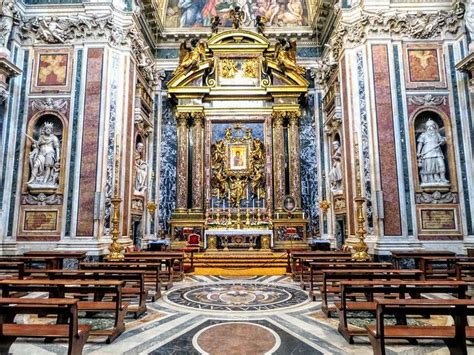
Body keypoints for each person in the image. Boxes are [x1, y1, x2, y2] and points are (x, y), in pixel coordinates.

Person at [28, 122, 61, 187]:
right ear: (44, 129)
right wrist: (35, 144)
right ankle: (32, 179)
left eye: (50, 129)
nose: (48, 130)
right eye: (47, 128)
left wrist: (58, 156)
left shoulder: (54, 138)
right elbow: (37, 146)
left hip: (50, 153)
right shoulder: (41, 137)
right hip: (41, 154)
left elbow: (57, 148)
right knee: (36, 165)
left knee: (47, 166)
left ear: (51, 130)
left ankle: (45, 181)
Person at [417, 119, 449, 186]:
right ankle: (430, 179)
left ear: (434, 127)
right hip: (427, 152)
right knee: (429, 166)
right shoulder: (423, 135)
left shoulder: (437, 134)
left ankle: (442, 178)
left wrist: (443, 141)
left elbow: (442, 143)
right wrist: (418, 152)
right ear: (426, 128)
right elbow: (420, 143)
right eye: (428, 126)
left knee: (441, 165)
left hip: (437, 151)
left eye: (431, 126)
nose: (430, 128)